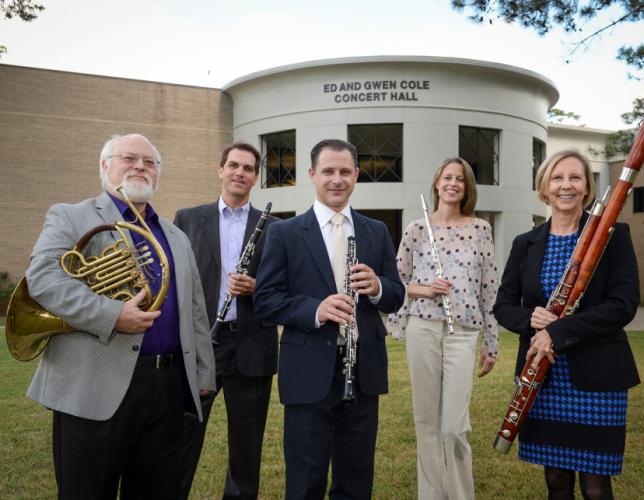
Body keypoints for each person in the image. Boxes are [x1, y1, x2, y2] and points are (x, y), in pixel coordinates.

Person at [24, 133, 216, 499]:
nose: (140, 166)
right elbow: (43, 279)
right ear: (104, 165)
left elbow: (194, 309)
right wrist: (112, 315)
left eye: (150, 162)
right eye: (129, 158)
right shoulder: (71, 215)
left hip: (168, 385)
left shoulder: (175, 235)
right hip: (94, 383)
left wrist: (204, 371)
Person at [254, 138, 405, 499]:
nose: (337, 179)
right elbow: (265, 300)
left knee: (356, 478)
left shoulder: (376, 230)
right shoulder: (284, 232)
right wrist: (315, 310)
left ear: (356, 175)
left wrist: (378, 287)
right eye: (328, 171)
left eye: (345, 172)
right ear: (312, 174)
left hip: (363, 370)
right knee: (305, 480)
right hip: (307, 370)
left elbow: (396, 294)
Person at [494, 150, 640, 500]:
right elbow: (503, 306)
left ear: (587, 187)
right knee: (556, 479)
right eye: (557, 178)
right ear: (544, 187)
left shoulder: (613, 234)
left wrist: (556, 332)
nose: (566, 185)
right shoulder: (525, 243)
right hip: (544, 377)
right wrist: (531, 319)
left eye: (575, 178)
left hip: (598, 377)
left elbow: (623, 304)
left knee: (595, 487)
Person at [387, 157, 499, 500]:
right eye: (447, 177)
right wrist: (425, 289)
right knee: (426, 422)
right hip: (423, 327)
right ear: (437, 183)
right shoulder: (417, 228)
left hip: (463, 332)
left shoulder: (481, 229)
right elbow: (395, 283)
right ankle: (432, 495)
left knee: (454, 426)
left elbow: (489, 288)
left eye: (460, 179)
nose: (453, 183)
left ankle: (461, 495)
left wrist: (491, 341)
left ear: (467, 188)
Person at [174, 142, 278, 500]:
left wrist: (256, 286)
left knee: (247, 446)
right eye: (233, 165)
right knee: (184, 434)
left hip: (251, 344)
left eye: (248, 168)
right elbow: (176, 280)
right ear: (221, 169)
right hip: (201, 341)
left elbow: (285, 287)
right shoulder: (187, 219)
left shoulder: (276, 228)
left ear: (256, 177)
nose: (240, 173)